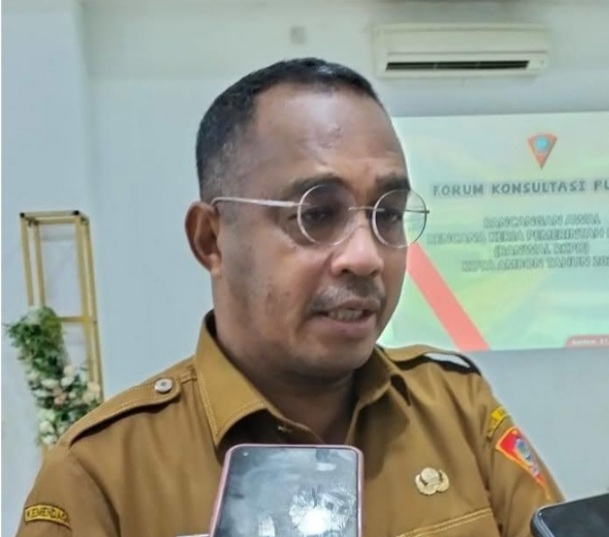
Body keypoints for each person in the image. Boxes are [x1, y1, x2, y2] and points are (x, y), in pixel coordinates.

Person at [16, 57, 563, 537]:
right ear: (212, 240)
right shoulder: (104, 474)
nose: (366, 256)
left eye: (389, 214)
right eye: (317, 214)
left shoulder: (456, 410)